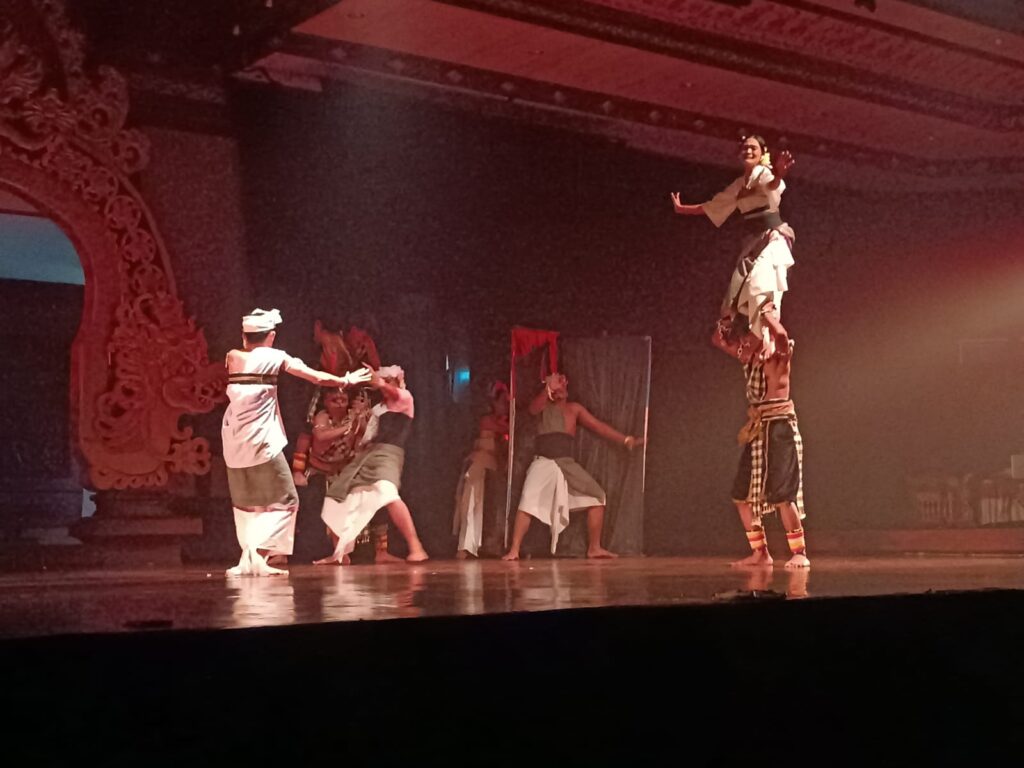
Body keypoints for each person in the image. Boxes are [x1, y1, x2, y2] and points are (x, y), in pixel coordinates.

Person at [222, 308, 370, 576]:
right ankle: (259, 556)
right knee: (287, 499)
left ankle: (249, 558)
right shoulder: (274, 356)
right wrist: (345, 380)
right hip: (261, 441)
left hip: (233, 441)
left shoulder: (232, 357)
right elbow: (315, 376)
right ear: (271, 336)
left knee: (248, 502)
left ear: (244, 336)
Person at [671, 134, 796, 357]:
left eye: (753, 148)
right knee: (738, 289)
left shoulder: (764, 173)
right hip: (753, 244)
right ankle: (744, 342)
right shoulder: (739, 184)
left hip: (773, 238)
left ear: (762, 153)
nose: (748, 151)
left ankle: (772, 331)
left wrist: (779, 173)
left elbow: (772, 185)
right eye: (745, 148)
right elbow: (714, 205)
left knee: (760, 282)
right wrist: (683, 209)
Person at [502, 372, 644, 561]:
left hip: (567, 464)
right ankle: (514, 550)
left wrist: (626, 440)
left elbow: (598, 426)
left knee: (597, 497)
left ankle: (594, 548)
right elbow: (532, 409)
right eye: (556, 384)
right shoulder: (543, 406)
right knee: (527, 501)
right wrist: (547, 389)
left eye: (562, 383)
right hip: (543, 461)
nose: (560, 387)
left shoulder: (574, 409)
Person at [711, 312, 809, 569]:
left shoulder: (778, 358)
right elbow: (717, 340)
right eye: (743, 340)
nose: (744, 344)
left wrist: (766, 315)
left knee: (783, 494)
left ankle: (799, 552)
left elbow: (782, 336)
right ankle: (760, 553)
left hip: (780, 428)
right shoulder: (748, 357)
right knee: (741, 495)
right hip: (758, 429)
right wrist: (727, 315)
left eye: (748, 338)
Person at [316, 365, 429, 564]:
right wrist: (359, 418)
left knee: (387, 493)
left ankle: (416, 547)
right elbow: (365, 437)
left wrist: (381, 383)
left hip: (388, 454)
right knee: (338, 494)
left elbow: (394, 393)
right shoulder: (378, 409)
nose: (384, 385)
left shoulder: (405, 398)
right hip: (367, 455)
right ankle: (340, 554)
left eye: (389, 381)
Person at [453, 381, 509, 558]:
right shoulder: (487, 420)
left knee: (488, 508)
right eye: (503, 402)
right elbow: (506, 428)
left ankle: (488, 544)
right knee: (471, 503)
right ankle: (465, 546)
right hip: (478, 465)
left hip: (491, 468)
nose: (506, 406)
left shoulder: (501, 422)